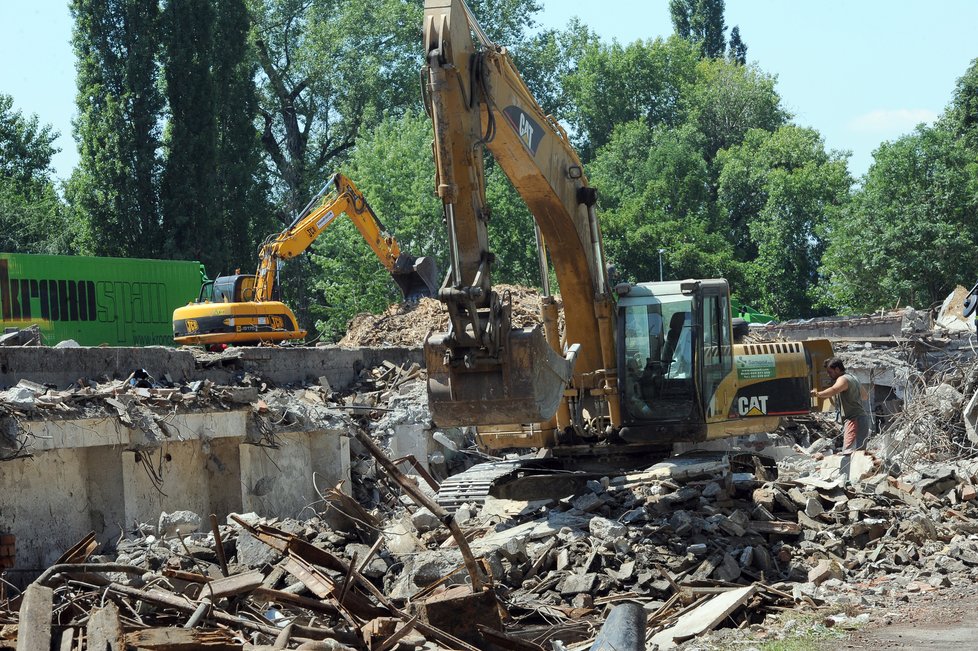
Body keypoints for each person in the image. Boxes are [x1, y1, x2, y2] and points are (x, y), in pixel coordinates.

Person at [810, 357, 869, 454]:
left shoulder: (843, 379)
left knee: (849, 453)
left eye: (830, 372)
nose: (829, 375)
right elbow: (865, 396)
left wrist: (817, 394)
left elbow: (833, 390)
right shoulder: (854, 378)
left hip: (853, 421)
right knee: (859, 453)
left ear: (837, 369)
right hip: (862, 420)